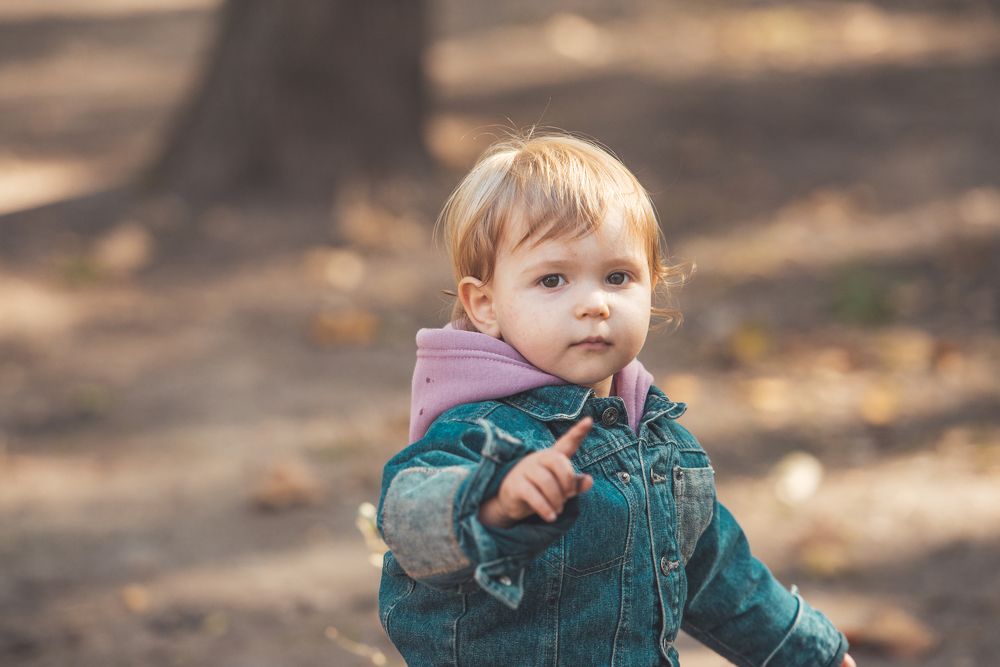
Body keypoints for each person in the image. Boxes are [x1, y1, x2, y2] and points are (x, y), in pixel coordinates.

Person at [376, 131, 855, 667]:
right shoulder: (483, 429)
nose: (595, 304)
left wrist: (807, 652)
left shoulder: (661, 441)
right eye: (553, 280)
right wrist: (492, 500)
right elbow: (408, 517)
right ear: (485, 305)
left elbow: (718, 572)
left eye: (618, 276)